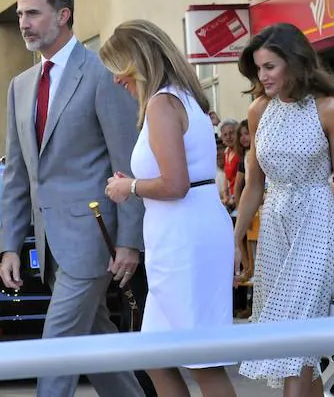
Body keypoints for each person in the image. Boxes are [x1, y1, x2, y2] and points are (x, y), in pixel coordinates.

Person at [0, 0, 145, 397]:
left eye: (32, 13)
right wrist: (10, 244)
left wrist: (130, 242)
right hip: (49, 244)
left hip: (92, 239)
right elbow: (18, 174)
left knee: (58, 347)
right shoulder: (20, 86)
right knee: (95, 343)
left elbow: (125, 163)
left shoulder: (103, 73)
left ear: (63, 15)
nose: (23, 23)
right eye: (19, 14)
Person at [101, 20, 236, 397]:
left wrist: (129, 186)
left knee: (202, 362)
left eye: (119, 69)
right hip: (180, 237)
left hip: (186, 241)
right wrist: (136, 183)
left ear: (138, 62)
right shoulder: (178, 97)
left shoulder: (162, 103)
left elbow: (175, 184)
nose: (116, 80)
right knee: (157, 355)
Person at [234, 23, 334, 395]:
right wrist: (236, 237)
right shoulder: (258, 110)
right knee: (291, 343)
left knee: (298, 340)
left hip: (318, 224)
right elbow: (254, 184)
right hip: (275, 226)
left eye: (270, 66)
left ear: (294, 63)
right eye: (258, 68)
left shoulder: (329, 109)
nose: (263, 76)